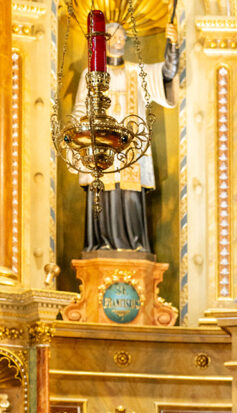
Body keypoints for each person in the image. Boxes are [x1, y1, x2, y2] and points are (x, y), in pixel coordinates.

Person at [71, 20, 179, 252]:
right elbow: (80, 109)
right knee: (102, 194)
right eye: (114, 36)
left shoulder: (136, 72)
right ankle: (102, 244)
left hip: (131, 150)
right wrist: (76, 141)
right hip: (99, 149)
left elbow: (166, 73)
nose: (120, 40)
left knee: (130, 197)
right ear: (103, 41)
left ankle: (133, 245)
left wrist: (171, 44)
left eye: (123, 36)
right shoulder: (90, 74)